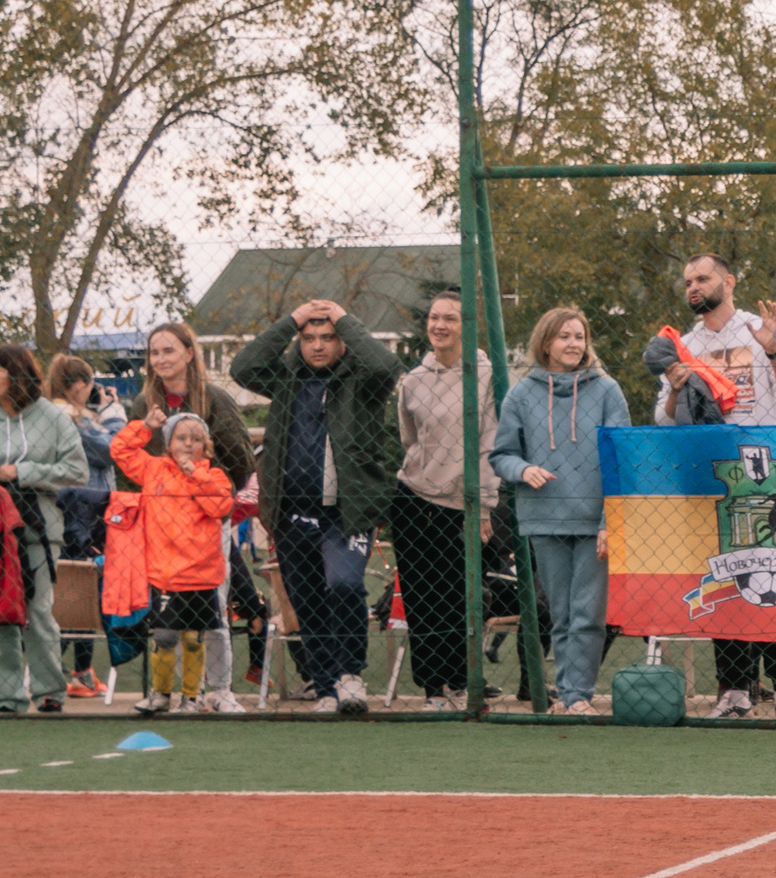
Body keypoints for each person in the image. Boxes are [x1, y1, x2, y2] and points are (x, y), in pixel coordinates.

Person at [644, 253, 776, 718]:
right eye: (687, 282)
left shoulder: (763, 328)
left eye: (702, 278)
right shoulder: (685, 343)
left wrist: (773, 349)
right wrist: (678, 385)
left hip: (769, 469)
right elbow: (663, 419)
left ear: (729, 281)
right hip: (713, 471)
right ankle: (735, 691)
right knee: (725, 577)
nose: (693, 288)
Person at [232, 298, 401, 715]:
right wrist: (290, 319)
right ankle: (326, 685)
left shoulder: (363, 381)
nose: (319, 346)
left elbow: (385, 365)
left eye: (328, 338)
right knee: (306, 600)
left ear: (343, 342)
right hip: (291, 515)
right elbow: (243, 367)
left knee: (343, 586)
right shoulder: (286, 377)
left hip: (345, 517)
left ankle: (350, 676)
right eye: (309, 338)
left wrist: (346, 319)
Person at [491, 308, 630, 716]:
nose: (573, 344)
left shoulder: (607, 391)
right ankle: (566, 693)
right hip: (544, 518)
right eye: (564, 336)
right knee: (558, 611)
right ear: (546, 343)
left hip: (594, 522)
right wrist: (524, 469)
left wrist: (610, 521)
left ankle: (577, 697)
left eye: (579, 336)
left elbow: (620, 458)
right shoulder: (521, 394)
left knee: (588, 613)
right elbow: (502, 454)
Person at [0, 346, 87, 712]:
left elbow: (77, 471)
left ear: (17, 373)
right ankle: (8, 698)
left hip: (38, 532)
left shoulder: (53, 418)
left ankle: (49, 694)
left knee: (39, 611)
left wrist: (26, 472)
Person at [128, 321, 257, 712]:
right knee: (166, 616)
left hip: (205, 525)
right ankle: (169, 692)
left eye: (169, 350)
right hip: (163, 530)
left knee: (213, 606)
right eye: (154, 352)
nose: (161, 359)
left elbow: (240, 459)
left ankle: (218, 690)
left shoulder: (214, 399)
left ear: (188, 353)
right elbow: (132, 464)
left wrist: (205, 488)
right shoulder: (143, 405)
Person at [392, 290, 497, 709]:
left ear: (466, 326)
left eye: (450, 318)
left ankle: (461, 678)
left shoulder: (487, 375)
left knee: (460, 595)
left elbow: (491, 441)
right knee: (421, 597)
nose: (440, 325)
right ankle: (432, 687)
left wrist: (485, 505)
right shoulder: (413, 380)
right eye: (434, 318)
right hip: (414, 498)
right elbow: (408, 437)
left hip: (465, 503)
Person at [109, 413, 234, 714]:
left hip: (200, 574)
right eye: (181, 438)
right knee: (163, 637)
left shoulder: (214, 476)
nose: (188, 444)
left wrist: (196, 476)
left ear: (207, 446)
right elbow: (120, 450)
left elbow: (221, 506)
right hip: (163, 574)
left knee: (193, 639)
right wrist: (145, 427)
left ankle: (192, 697)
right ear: (168, 443)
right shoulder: (153, 469)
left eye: (196, 439)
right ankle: (160, 693)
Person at [47, 356, 123, 696]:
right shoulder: (69, 416)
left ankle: (81, 671)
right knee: (81, 594)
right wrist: (114, 415)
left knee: (80, 592)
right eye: (89, 383)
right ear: (78, 385)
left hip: (79, 515)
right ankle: (52, 666)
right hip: (83, 518)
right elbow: (112, 450)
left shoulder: (60, 415)